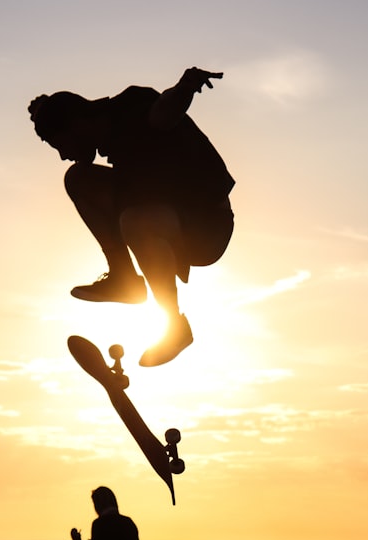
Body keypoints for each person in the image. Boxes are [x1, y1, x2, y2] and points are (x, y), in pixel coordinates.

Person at [29, 67, 235, 366]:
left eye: (60, 144)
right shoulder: (109, 138)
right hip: (163, 213)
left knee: (136, 221)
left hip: (206, 226)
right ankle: (123, 277)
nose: (63, 154)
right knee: (79, 179)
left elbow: (163, 112)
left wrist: (184, 88)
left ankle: (174, 326)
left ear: (77, 125)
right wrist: (48, 109)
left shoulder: (131, 108)